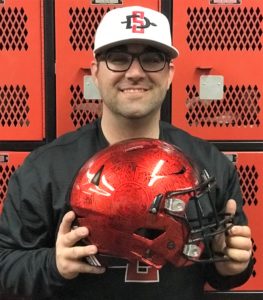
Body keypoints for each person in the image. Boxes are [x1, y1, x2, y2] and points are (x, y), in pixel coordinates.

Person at [0, 6, 253, 300]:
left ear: (170, 73)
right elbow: (5, 266)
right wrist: (53, 265)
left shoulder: (210, 164)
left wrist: (231, 264)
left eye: (151, 60)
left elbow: (227, 270)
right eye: (118, 59)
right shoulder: (45, 170)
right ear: (95, 72)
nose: (135, 73)